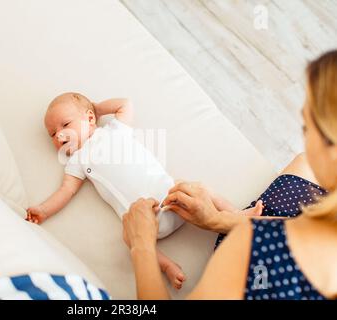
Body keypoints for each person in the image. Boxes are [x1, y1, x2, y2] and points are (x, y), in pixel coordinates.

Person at [122, 51, 337, 300]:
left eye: (307, 128)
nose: (305, 140)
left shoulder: (258, 247)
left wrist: (142, 246)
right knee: (303, 165)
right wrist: (219, 220)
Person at [26, 92, 263, 289]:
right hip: (146, 226)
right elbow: (66, 191)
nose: (59, 135)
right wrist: (44, 210)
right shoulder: (76, 162)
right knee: (127, 237)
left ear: (89, 119)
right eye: (52, 134)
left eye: (65, 125)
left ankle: (235, 214)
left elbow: (124, 104)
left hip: (171, 196)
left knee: (196, 187)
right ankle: (167, 265)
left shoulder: (113, 131)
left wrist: (96, 108)